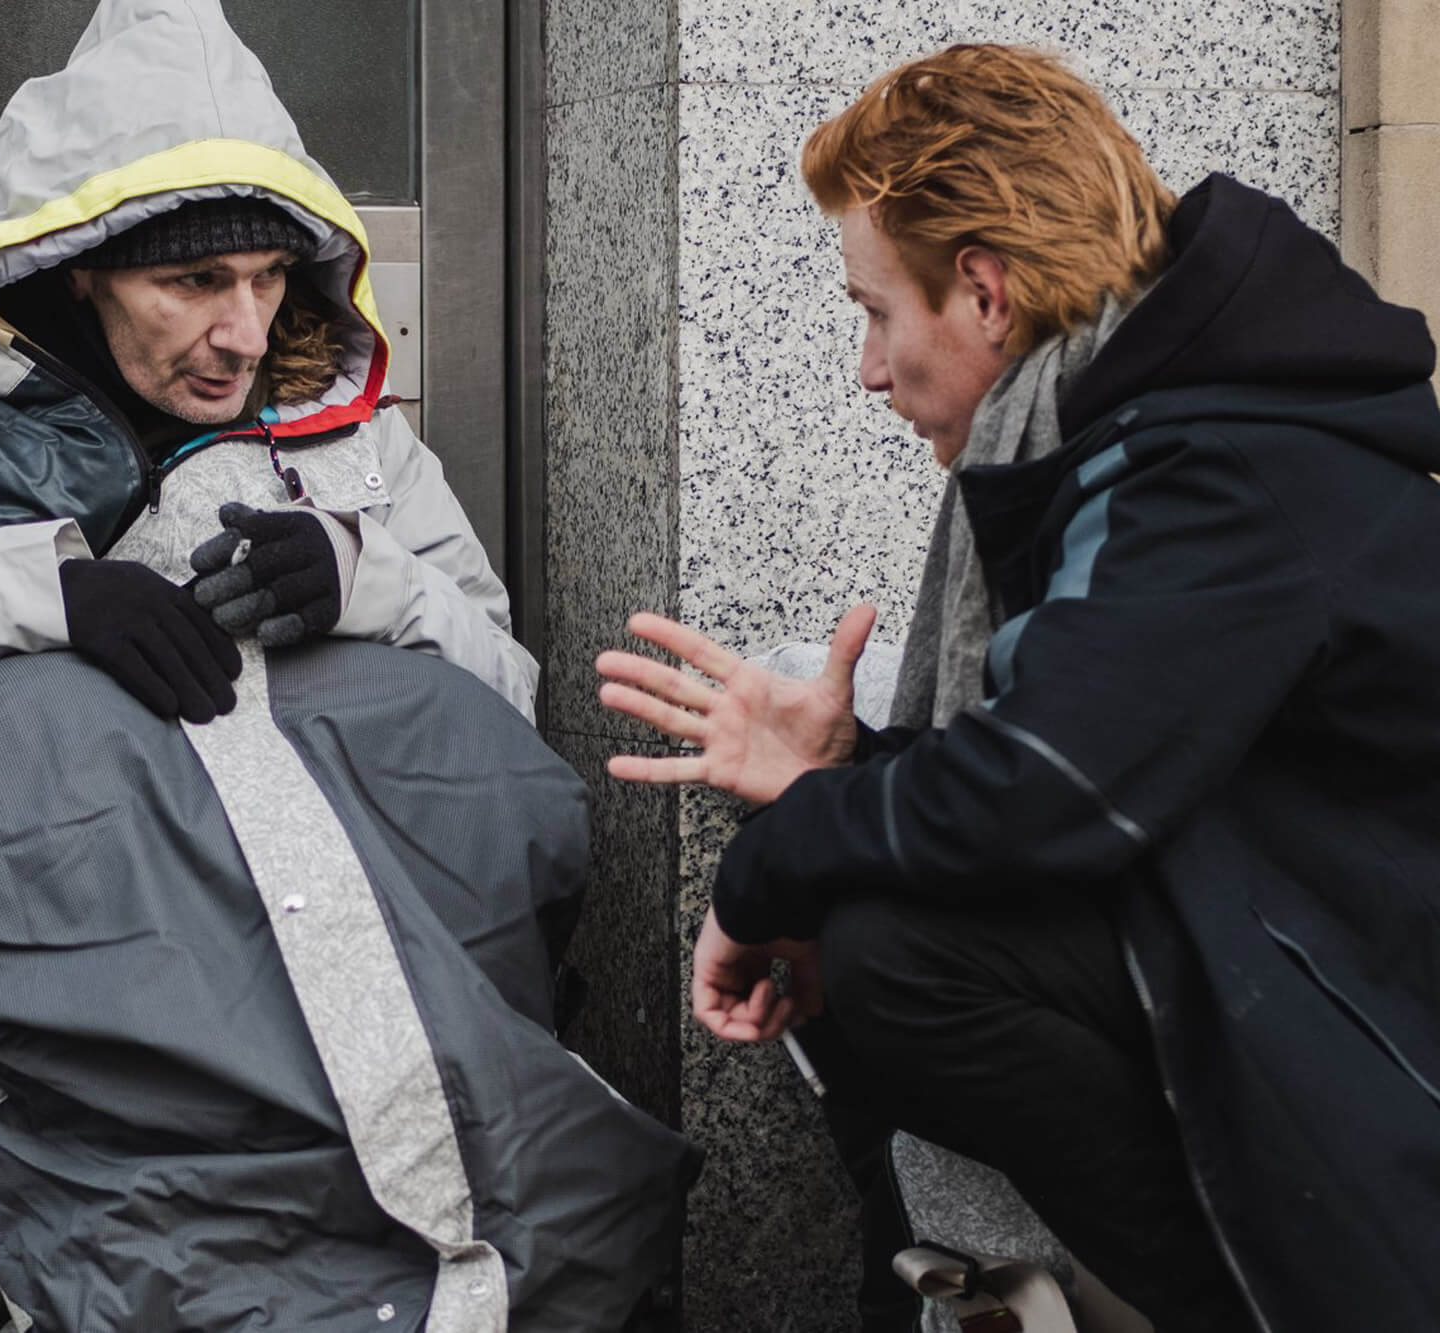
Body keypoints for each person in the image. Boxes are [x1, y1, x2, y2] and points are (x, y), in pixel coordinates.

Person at [0, 2, 695, 1328]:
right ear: (78, 264)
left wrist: (367, 585)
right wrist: (8, 599)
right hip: (54, 953)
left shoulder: (337, 412)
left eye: (269, 275)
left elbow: (503, 742)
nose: (242, 328)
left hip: (354, 937)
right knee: (39, 719)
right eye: (192, 282)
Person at [597, 42, 1440, 1333]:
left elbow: (1040, 799)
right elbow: (1078, 771)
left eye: (876, 311)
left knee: (904, 955)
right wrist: (847, 779)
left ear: (985, 292)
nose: (867, 371)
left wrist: (776, 863)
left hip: (1380, 1049)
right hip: (1298, 978)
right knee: (894, 925)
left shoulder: (1222, 470)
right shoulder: (1155, 443)